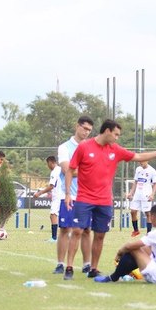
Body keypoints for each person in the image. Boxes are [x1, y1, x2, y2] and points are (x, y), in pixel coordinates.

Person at [65, 119, 156, 280]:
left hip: (104, 200)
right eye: (116, 134)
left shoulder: (115, 150)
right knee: (77, 231)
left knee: (100, 234)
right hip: (84, 198)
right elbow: (70, 170)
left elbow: (138, 156)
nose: (117, 138)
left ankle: (93, 269)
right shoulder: (84, 147)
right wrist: (68, 193)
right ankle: (69, 267)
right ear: (107, 131)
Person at [93, 204, 156, 284]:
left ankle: (113, 277)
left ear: (152, 216)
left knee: (133, 249)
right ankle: (122, 274)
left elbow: (129, 246)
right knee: (145, 248)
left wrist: (119, 253)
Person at [53, 116, 94, 276]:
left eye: (89, 130)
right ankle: (60, 263)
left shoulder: (91, 147)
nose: (86, 132)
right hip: (69, 194)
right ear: (77, 126)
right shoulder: (65, 147)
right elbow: (66, 170)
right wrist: (89, 171)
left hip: (87, 195)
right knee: (65, 229)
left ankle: (87, 264)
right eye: (84, 128)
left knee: (86, 230)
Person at [33, 156, 61, 242]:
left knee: (53, 215)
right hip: (63, 195)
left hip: (58, 197)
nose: (48, 166)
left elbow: (51, 186)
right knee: (57, 215)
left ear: (50, 162)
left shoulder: (54, 172)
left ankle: (54, 238)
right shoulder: (60, 169)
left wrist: (40, 193)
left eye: (47, 164)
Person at [127, 161, 156, 237]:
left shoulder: (152, 170)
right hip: (137, 194)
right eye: (140, 161)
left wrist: (152, 195)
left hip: (146, 195)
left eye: (142, 161)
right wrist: (131, 193)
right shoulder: (138, 169)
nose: (140, 163)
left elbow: (155, 183)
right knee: (133, 212)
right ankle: (136, 230)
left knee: (148, 214)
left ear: (147, 161)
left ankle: (148, 233)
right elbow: (135, 182)